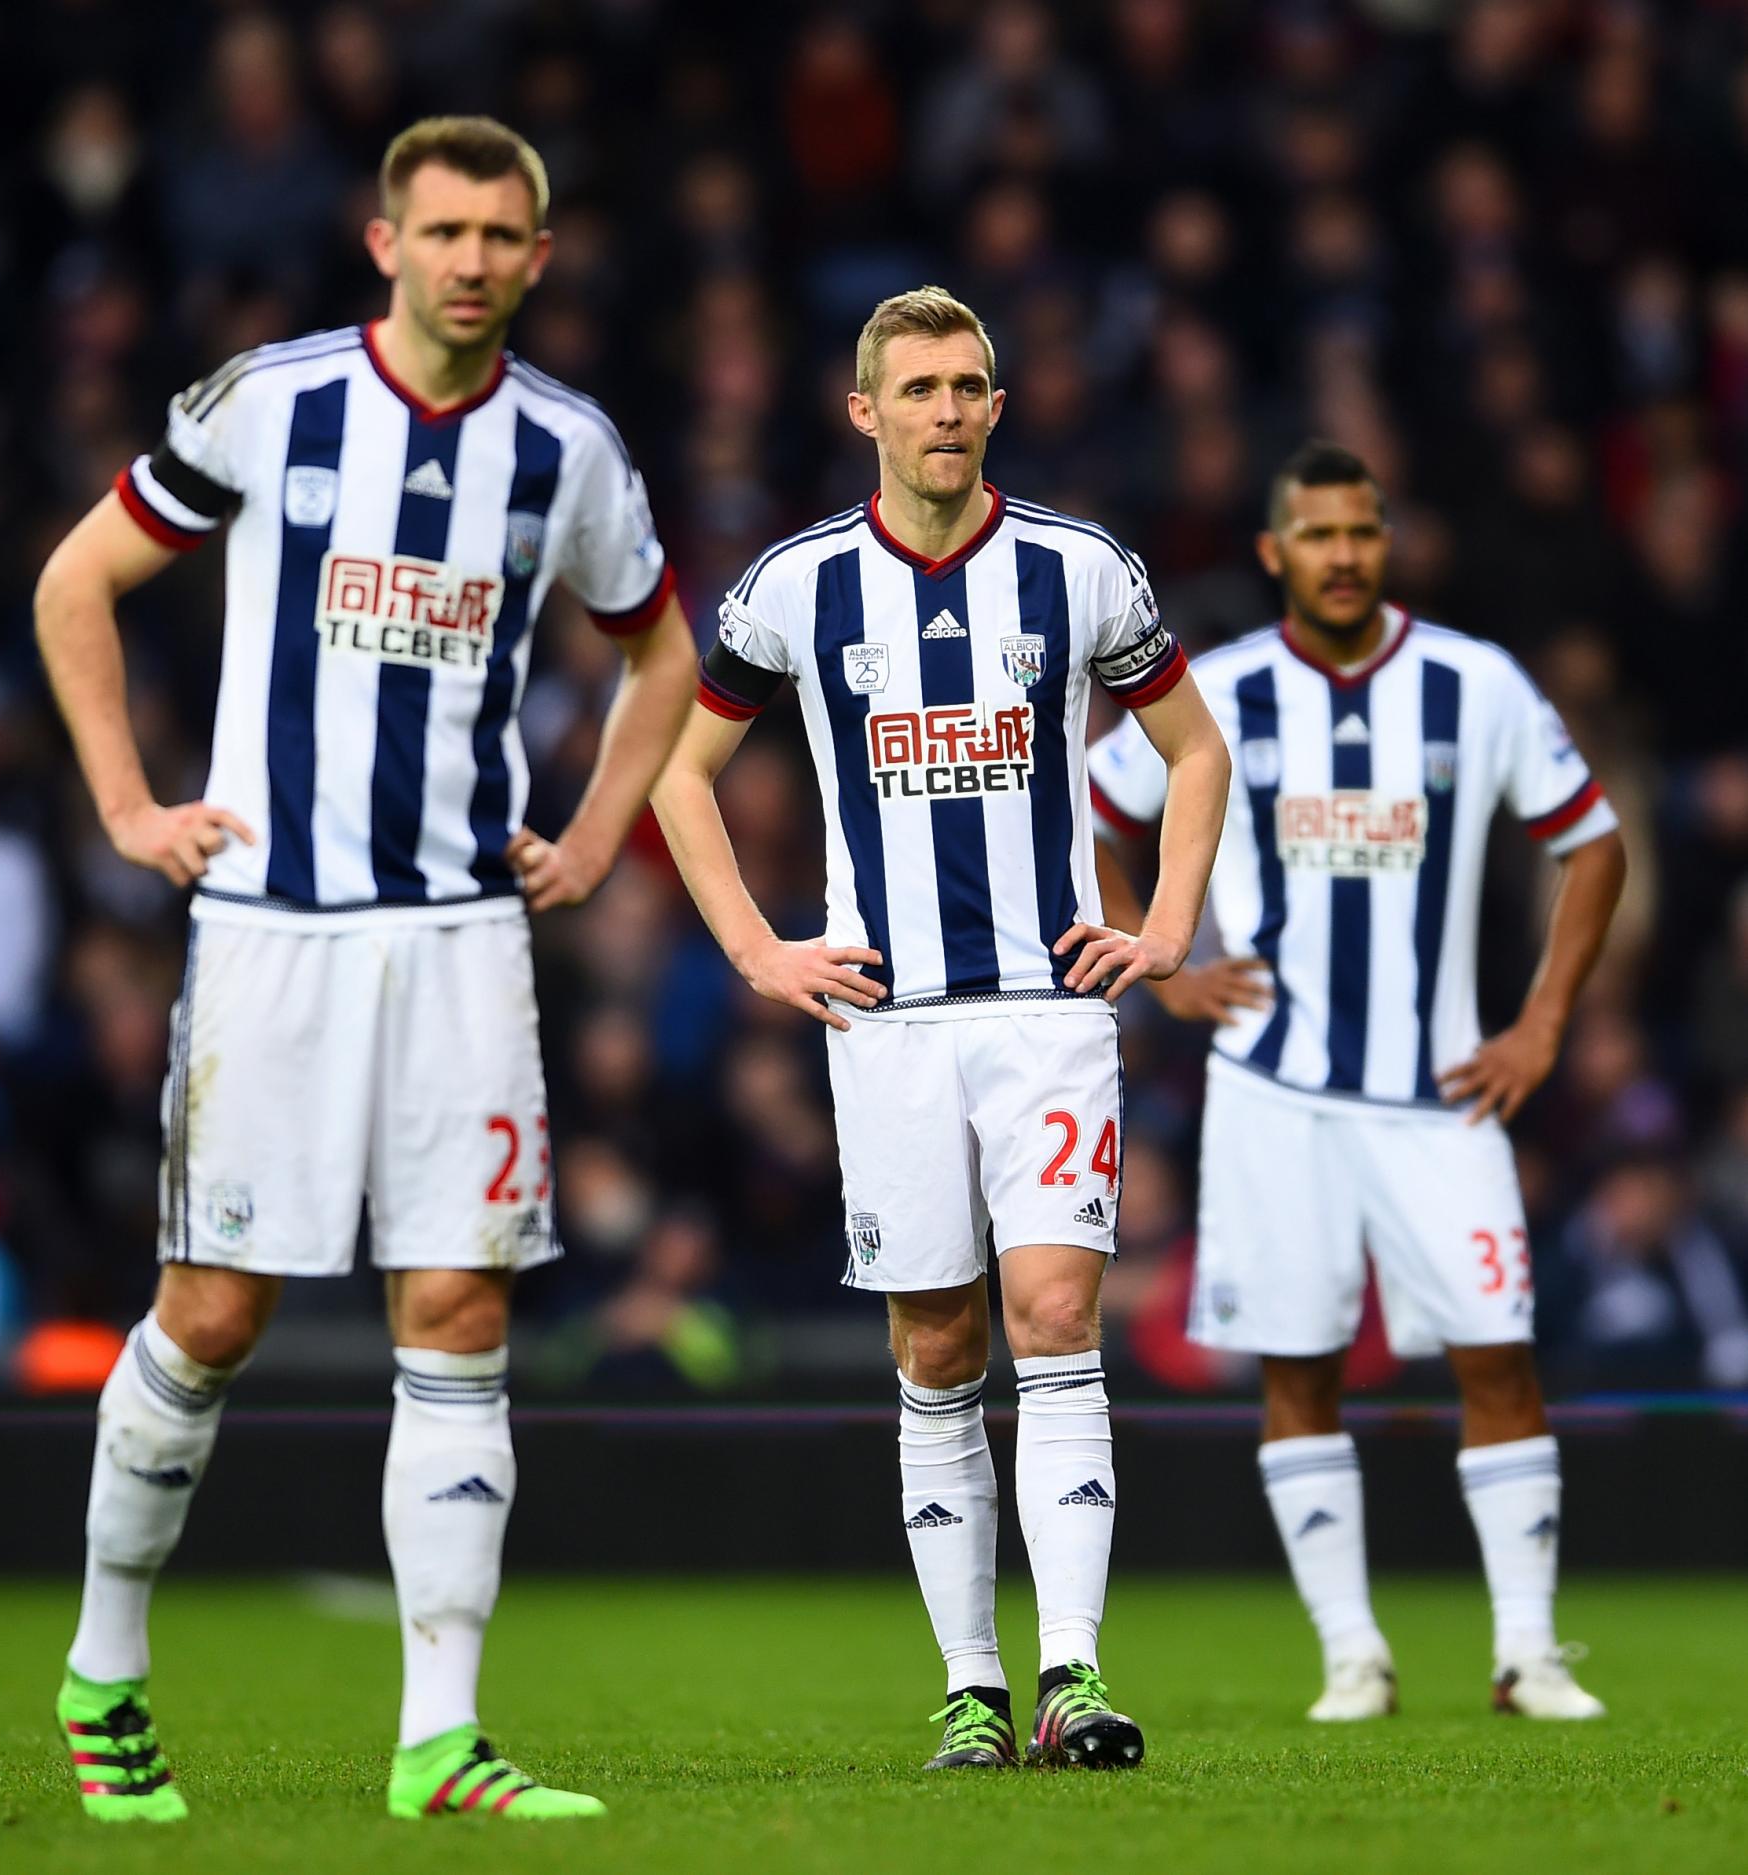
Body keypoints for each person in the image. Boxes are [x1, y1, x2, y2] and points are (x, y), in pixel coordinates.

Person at [32, 115, 693, 1823]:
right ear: (384, 240)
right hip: (275, 942)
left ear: (540, 260)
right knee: (213, 1315)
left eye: (503, 235)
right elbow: (78, 582)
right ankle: (104, 1673)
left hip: (464, 941)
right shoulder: (275, 401)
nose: (473, 258)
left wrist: (604, 832)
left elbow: (664, 651)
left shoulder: (566, 451)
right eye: (445, 228)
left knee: (460, 1317)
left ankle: (440, 1741)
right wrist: (125, 803)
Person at [651, 287, 1229, 1772]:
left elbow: (1194, 746)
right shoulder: (798, 586)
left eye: (970, 385)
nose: (948, 410)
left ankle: (1074, 1676)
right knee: (935, 1340)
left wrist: (1164, 927)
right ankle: (971, 1683)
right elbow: (677, 774)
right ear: (867, 411)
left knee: (1055, 1316)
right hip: (890, 1019)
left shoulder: (1078, 566)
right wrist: (754, 948)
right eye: (919, 388)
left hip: (1049, 1010)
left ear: (996, 404)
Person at [1087, 441, 1626, 1721]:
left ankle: (1527, 1655)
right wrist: (1167, 967)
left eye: (1360, 534)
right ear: (1274, 553)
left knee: (1499, 1356)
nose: (1341, 556)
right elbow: (1093, 812)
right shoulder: (1214, 693)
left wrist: (1542, 1024)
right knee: (1298, 1367)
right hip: (1272, 1089)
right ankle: (1351, 1656)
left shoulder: (1470, 684)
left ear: (1386, 546)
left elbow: (1592, 847)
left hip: (1440, 1091)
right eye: (1316, 536)